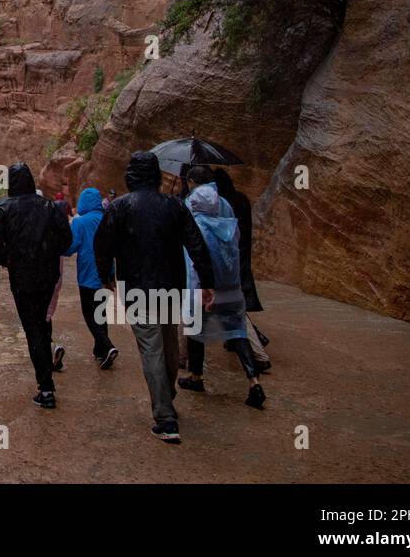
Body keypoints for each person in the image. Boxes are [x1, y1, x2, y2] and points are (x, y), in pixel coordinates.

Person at [94, 151, 215, 444]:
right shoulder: (175, 206)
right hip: (171, 285)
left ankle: (165, 416)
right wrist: (208, 282)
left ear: (131, 175)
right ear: (157, 175)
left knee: (151, 346)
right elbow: (196, 244)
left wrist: (105, 276)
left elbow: (102, 245)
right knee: (169, 339)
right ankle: (167, 394)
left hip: (136, 287)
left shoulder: (120, 207)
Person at [0, 162, 73, 409]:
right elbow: (66, 240)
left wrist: (11, 261)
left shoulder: (4, 209)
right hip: (47, 275)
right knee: (43, 322)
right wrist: (46, 254)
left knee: (33, 328)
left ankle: (46, 388)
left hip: (22, 278)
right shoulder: (50, 206)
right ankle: (48, 370)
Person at [177, 184, 266, 409]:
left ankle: (196, 377)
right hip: (232, 291)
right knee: (238, 334)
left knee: (196, 334)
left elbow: (195, 263)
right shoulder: (229, 227)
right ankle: (253, 380)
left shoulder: (196, 227)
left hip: (205, 292)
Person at [55, 187, 118, 371]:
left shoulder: (80, 222)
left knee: (89, 314)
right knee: (101, 313)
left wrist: (58, 247)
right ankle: (100, 351)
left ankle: (107, 346)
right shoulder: (108, 218)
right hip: (105, 276)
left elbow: (71, 247)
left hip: (87, 275)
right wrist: (112, 275)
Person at [214, 167, 269, 366]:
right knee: (235, 298)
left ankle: (255, 341)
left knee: (230, 303)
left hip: (228, 253)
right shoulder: (242, 199)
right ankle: (238, 338)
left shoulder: (222, 203)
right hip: (242, 250)